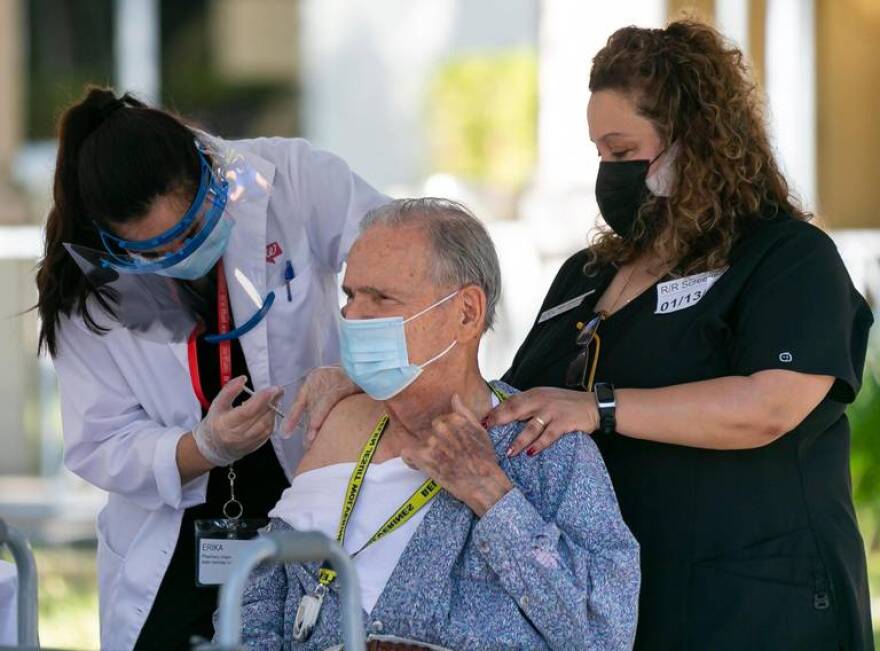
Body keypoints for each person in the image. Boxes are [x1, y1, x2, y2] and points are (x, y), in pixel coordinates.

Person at [289, 21, 875, 650]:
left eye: (623, 153)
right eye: (599, 154)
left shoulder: (785, 258)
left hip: (757, 603)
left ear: (696, 143)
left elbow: (771, 406)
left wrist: (600, 408)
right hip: (616, 604)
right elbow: (499, 393)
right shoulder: (587, 275)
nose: (609, 173)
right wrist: (370, 365)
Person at [35, 87, 387, 650]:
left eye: (192, 228)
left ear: (208, 170)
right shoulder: (89, 285)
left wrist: (359, 372)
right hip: (175, 539)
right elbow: (101, 440)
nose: (182, 253)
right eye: (155, 252)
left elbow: (406, 260)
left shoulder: (292, 179)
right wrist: (204, 447)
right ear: (112, 243)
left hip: (308, 501)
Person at [241, 198, 639, 650]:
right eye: (350, 295)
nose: (352, 316)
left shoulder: (545, 448)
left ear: (466, 312)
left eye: (382, 297)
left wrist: (489, 492)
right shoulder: (337, 427)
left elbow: (601, 632)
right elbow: (255, 607)